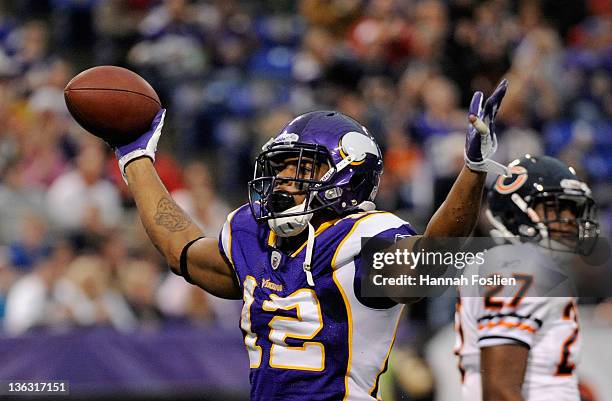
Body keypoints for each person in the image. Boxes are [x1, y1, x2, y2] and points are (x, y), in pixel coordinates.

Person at [110, 80, 508, 400]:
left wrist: (472, 170)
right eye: (280, 167)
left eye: (301, 167)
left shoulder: (360, 240)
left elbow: (430, 262)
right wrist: (136, 159)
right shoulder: (252, 231)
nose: (284, 180)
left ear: (347, 175)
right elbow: (183, 252)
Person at [455, 155, 599, 401]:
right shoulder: (516, 266)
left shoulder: (519, 264)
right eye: (555, 207)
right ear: (515, 214)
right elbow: (500, 391)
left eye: (572, 209)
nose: (569, 221)